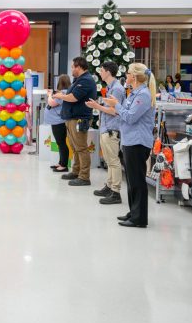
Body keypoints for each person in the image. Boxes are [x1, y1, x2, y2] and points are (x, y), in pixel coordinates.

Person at [88, 63, 156, 228]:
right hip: (130, 140)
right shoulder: (134, 93)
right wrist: (114, 105)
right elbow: (123, 112)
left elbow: (130, 117)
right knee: (131, 180)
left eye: (128, 73)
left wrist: (116, 104)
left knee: (137, 181)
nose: (126, 75)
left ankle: (139, 218)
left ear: (135, 76)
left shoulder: (143, 95)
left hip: (138, 142)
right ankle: (133, 212)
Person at [53, 57, 97, 187]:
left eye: (73, 67)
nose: (71, 69)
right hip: (72, 118)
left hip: (79, 119)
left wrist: (60, 96)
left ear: (79, 67)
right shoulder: (78, 80)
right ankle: (76, 171)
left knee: (81, 148)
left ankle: (84, 177)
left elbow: (73, 98)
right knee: (75, 147)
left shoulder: (86, 80)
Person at [93, 62, 126, 205]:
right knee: (109, 161)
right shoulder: (110, 88)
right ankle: (109, 185)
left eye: (101, 70)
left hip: (112, 129)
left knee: (113, 161)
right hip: (106, 128)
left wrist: (97, 106)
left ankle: (116, 192)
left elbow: (114, 111)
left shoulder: (117, 89)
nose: (100, 73)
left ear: (108, 72)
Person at [46, 74, 71, 172]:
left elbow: (51, 103)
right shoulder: (62, 93)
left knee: (61, 143)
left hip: (59, 122)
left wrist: (49, 95)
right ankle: (61, 162)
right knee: (60, 143)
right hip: (56, 121)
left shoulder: (63, 93)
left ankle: (64, 165)